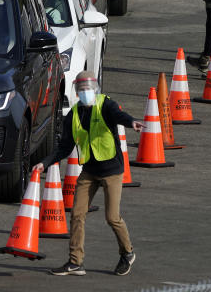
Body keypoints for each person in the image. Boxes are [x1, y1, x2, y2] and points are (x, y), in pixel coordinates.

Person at [34, 71, 145, 277]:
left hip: (112, 170)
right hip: (89, 171)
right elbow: (64, 148)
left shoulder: (106, 105)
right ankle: (75, 262)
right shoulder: (74, 115)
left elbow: (119, 115)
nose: (85, 92)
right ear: (77, 92)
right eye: (81, 89)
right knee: (77, 214)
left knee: (112, 217)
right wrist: (44, 163)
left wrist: (132, 122)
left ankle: (127, 253)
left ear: (96, 88)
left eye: (88, 88)